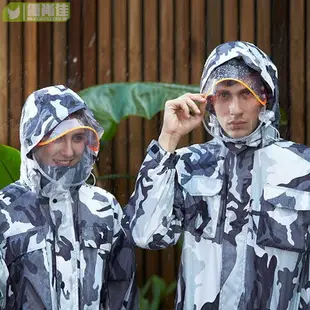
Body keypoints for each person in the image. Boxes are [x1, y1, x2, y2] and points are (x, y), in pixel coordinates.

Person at [123, 41, 310, 309]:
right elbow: (146, 234)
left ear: (265, 98)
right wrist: (168, 139)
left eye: (246, 94)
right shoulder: (189, 164)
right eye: (223, 95)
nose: (234, 110)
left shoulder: (303, 168)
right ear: (209, 102)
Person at [0, 85, 138, 309]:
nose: (68, 151)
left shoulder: (105, 208)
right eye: (57, 138)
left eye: (77, 138)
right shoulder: (5, 211)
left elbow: (122, 293)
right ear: (32, 140)